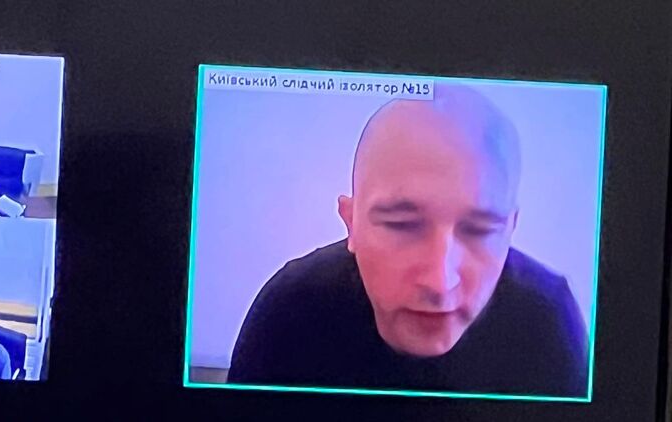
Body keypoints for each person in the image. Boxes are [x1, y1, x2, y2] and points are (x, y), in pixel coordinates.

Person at [227, 84, 588, 397]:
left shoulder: (547, 323)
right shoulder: (290, 311)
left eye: (480, 230)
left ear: (510, 229)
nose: (440, 282)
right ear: (351, 223)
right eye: (402, 225)